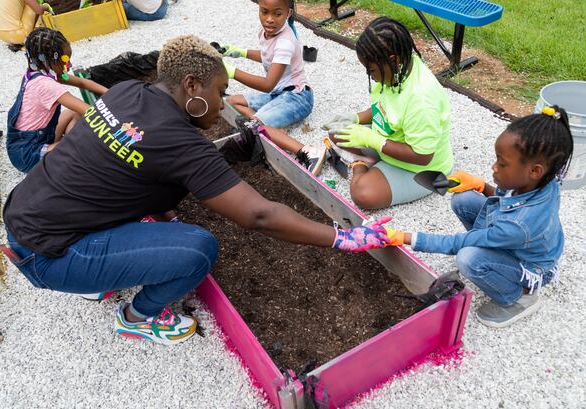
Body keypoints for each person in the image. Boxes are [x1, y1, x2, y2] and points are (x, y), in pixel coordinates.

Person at [2, 35, 392, 346]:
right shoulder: (178, 142)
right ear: (191, 85)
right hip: (50, 254)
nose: (223, 102)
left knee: (154, 208)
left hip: (24, 214)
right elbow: (259, 214)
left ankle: (98, 271)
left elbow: (150, 165)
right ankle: (137, 318)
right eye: (220, 92)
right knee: (196, 249)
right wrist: (344, 236)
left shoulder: (123, 94)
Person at [384, 107, 573, 328]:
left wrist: (404, 237)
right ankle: (492, 253)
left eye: (502, 163)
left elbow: (459, 243)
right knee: (463, 200)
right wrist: (482, 186)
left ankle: (517, 297)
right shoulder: (542, 182)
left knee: (468, 258)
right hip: (515, 239)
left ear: (534, 171)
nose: (494, 166)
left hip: (531, 267)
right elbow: (505, 201)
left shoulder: (519, 225)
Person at [319, 17, 453, 209]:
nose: (370, 75)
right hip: (391, 142)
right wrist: (356, 118)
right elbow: (384, 109)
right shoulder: (397, 71)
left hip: (421, 168)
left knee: (363, 194)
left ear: (393, 60)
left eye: (371, 69)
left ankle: (360, 164)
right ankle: (375, 162)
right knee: (337, 132)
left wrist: (373, 141)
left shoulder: (422, 99)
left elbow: (423, 156)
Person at [221, 0, 325, 173]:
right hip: (279, 94)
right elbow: (269, 56)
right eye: (264, 12)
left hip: (297, 98)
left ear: (288, 13)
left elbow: (267, 84)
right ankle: (272, 125)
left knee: (253, 128)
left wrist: (232, 72)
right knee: (231, 101)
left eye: (277, 14)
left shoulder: (286, 42)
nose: (269, 19)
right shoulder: (266, 32)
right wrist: (242, 52)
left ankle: (308, 151)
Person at [6, 28, 108, 173]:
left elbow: (82, 83)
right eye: (66, 60)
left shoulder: (41, 71)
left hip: (28, 142)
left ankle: (66, 145)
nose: (70, 65)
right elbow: (90, 112)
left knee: (74, 114)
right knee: (84, 143)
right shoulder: (46, 85)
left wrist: (111, 93)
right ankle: (68, 151)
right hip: (28, 154)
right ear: (51, 60)